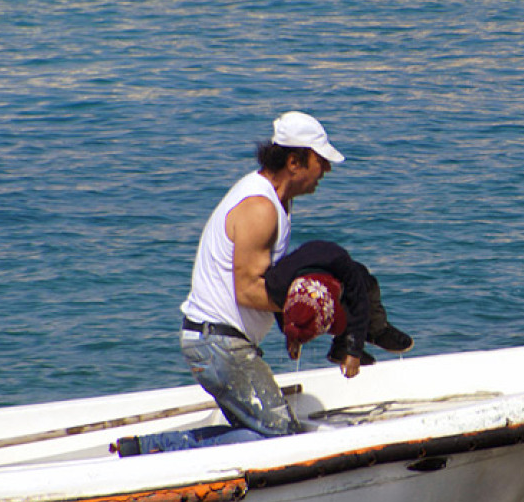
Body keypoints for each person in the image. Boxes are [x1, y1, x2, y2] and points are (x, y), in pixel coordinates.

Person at [114, 111, 345, 456]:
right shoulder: (260, 208)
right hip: (218, 343)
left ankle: (145, 450)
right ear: (294, 161)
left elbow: (264, 280)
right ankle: (152, 450)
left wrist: (291, 327)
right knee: (280, 441)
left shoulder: (276, 200)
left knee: (261, 436)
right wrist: (313, 308)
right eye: (320, 160)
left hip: (217, 339)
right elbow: (249, 291)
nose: (326, 170)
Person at [264, 239, 413, 369]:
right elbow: (282, 312)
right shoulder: (277, 285)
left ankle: (376, 331)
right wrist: (293, 337)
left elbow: (360, 307)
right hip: (300, 270)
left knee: (366, 287)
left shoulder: (344, 269)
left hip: (335, 264)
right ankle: (340, 349)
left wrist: (353, 352)